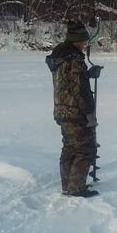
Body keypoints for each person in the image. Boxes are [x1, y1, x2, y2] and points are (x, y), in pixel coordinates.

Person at [45, 21, 102, 198]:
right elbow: (79, 89)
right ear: (76, 40)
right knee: (85, 149)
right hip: (76, 111)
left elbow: (69, 81)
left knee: (69, 148)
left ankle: (67, 186)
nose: (85, 44)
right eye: (83, 41)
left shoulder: (61, 57)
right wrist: (88, 111)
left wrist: (88, 74)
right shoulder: (74, 59)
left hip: (61, 110)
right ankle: (77, 188)